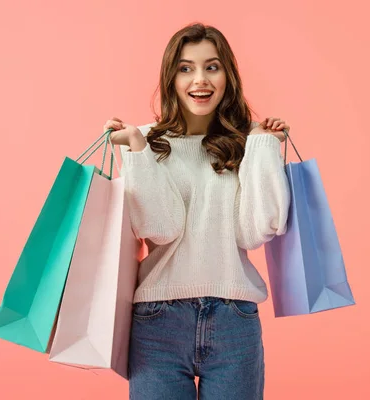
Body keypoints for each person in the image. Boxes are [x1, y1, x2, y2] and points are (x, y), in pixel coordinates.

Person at [104, 22, 291, 400]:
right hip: (158, 324)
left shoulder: (248, 142)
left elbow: (256, 230)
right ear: (170, 77)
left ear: (228, 75)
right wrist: (138, 150)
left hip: (233, 321)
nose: (199, 80)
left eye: (212, 66)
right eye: (185, 68)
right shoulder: (144, 141)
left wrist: (262, 148)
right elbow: (160, 228)